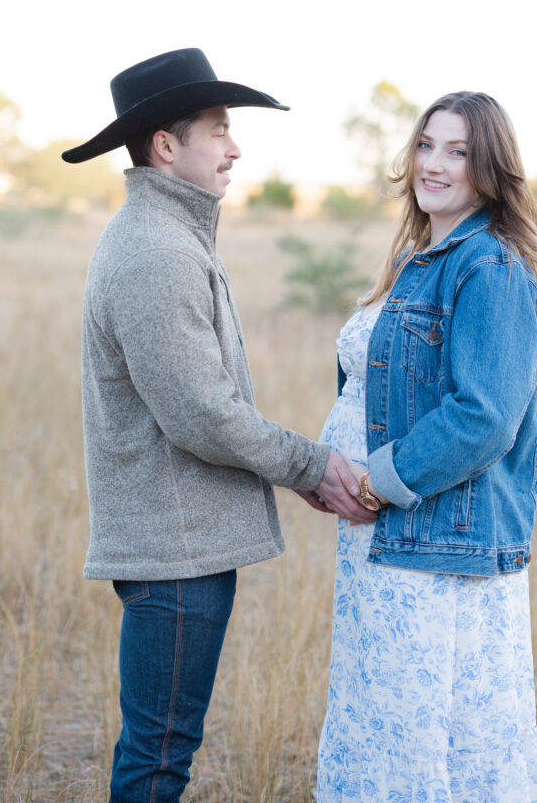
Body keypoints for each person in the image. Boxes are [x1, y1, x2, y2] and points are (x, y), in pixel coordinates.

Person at [61, 48, 375, 803]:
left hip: (183, 546)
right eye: (219, 130)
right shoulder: (153, 250)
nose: (235, 148)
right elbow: (200, 413)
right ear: (165, 146)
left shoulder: (169, 235)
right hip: (176, 554)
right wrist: (308, 465)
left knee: (162, 748)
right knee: (159, 758)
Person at [316, 92, 537, 802]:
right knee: (383, 724)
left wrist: (371, 483)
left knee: (431, 736)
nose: (435, 164)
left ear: (489, 170)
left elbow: (484, 418)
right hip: (384, 535)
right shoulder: (420, 258)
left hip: (431, 542)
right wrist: (325, 467)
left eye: (458, 151)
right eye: (427, 145)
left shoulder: (490, 268)